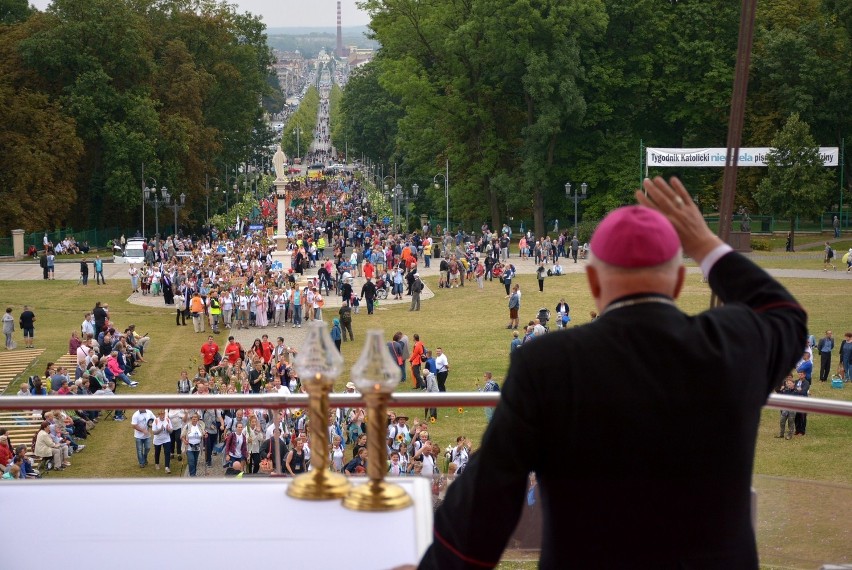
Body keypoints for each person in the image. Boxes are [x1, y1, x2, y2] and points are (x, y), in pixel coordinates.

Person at [418, 176, 806, 568]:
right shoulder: (731, 344)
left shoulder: (548, 364)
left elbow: (485, 504)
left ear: (592, 281)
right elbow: (785, 314)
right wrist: (705, 245)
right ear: (677, 279)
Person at [775, 375, 797, 440]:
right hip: (785, 408)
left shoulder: (796, 391)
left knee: (791, 422)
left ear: (793, 384)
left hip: (792, 409)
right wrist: (780, 389)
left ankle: (789, 435)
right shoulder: (785, 390)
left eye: (790, 383)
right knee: (782, 421)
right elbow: (777, 391)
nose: (788, 384)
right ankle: (781, 434)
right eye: (787, 383)